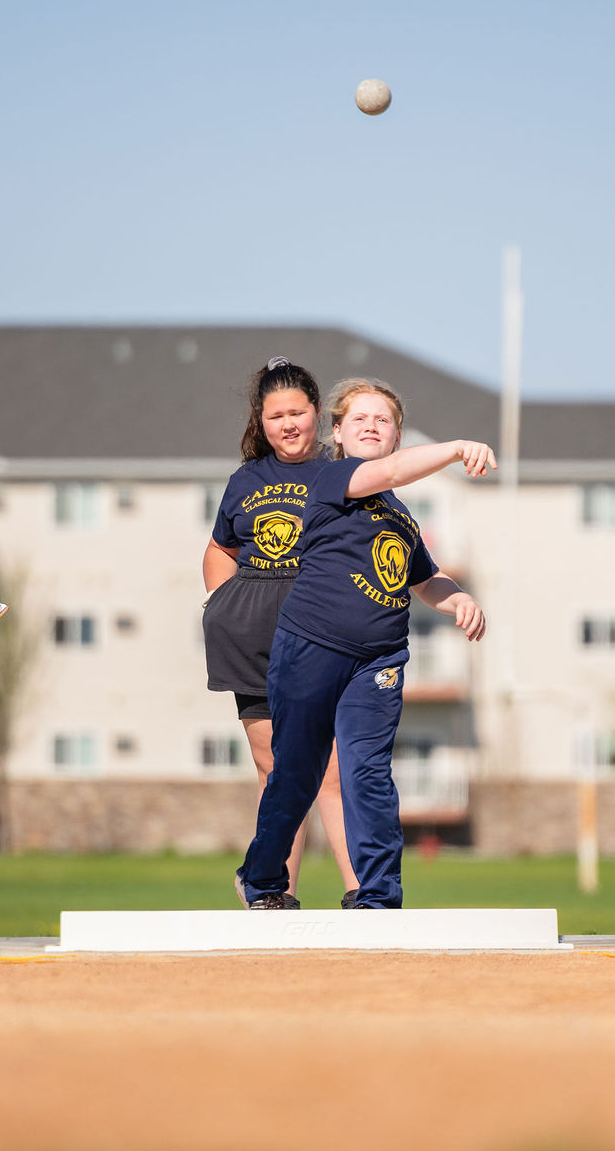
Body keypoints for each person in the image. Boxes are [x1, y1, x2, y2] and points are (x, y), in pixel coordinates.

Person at [237, 378, 492, 910]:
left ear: (397, 435)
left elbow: (424, 580)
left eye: (384, 420)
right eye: (360, 419)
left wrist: (457, 598)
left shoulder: (401, 516)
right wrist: (453, 449)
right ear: (338, 432)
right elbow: (391, 472)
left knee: (368, 772)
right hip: (310, 646)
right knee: (298, 773)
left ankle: (377, 896)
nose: (372, 426)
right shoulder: (336, 477)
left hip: (378, 658)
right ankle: (262, 880)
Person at [204, 358, 359, 906]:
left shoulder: (342, 473)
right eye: (276, 416)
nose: (288, 424)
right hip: (250, 643)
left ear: (319, 414)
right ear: (261, 421)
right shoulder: (245, 479)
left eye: (297, 412)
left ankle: (363, 893)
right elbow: (221, 549)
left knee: (335, 770)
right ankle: (274, 893)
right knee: (276, 769)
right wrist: (223, 605)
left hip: (323, 641)